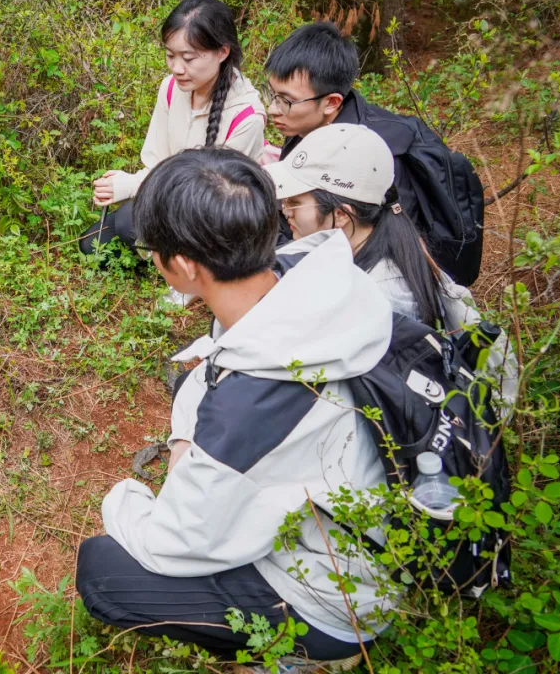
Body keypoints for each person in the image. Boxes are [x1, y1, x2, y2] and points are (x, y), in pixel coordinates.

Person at [76, 147, 394, 666]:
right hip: (363, 522)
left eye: (149, 249)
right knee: (189, 386)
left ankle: (315, 653)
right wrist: (186, 443)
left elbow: (171, 542)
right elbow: (212, 369)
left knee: (102, 570)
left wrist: (125, 495)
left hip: (336, 599)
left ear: (181, 265)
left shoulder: (248, 410)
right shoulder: (308, 270)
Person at [264, 123, 518, 409]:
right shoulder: (382, 244)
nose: (285, 211)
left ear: (341, 214)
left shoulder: (381, 293)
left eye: (294, 202)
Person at [263, 21, 484, 285]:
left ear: (331, 102)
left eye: (285, 100)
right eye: (272, 94)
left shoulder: (382, 157)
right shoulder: (306, 128)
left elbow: (393, 246)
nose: (272, 108)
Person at [81, 0, 266, 304]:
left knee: (130, 225)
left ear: (223, 52)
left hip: (214, 220)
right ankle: (168, 263)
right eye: (170, 56)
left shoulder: (246, 115)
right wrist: (128, 182)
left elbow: (215, 201)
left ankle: (193, 278)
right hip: (169, 202)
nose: (178, 68)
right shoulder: (171, 88)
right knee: (93, 243)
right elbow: (157, 162)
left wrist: (131, 186)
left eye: (189, 58)